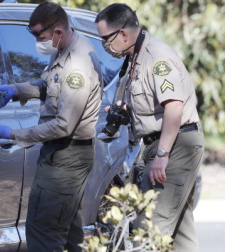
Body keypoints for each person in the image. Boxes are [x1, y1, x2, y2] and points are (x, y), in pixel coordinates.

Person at [0, 2, 103, 251]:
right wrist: (15, 90)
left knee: (43, 233)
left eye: (41, 36)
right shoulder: (63, 49)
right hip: (64, 155)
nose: (38, 42)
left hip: (66, 155)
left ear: (58, 31)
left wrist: (14, 134)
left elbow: (63, 126)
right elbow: (47, 83)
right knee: (68, 234)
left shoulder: (77, 65)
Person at [95, 4, 204, 251]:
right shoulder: (135, 57)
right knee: (179, 230)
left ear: (123, 34)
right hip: (161, 144)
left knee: (151, 227)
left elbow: (174, 108)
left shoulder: (157, 58)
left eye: (105, 40)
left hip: (175, 146)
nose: (105, 46)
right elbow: (153, 106)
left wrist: (163, 155)